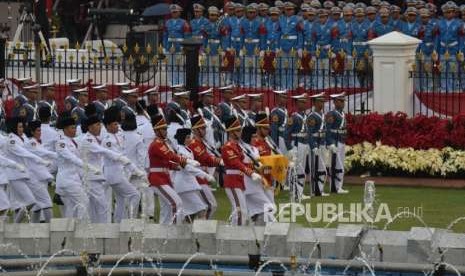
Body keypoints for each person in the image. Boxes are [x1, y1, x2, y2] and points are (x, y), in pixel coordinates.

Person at [80, 114, 130, 223]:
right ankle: (103, 232)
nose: (100, 127)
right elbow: (102, 151)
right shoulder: (87, 140)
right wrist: (119, 157)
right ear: (90, 127)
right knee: (102, 207)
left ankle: (93, 233)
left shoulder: (95, 138)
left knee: (94, 208)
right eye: (97, 125)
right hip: (91, 178)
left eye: (100, 125)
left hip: (95, 177)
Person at [148, 115, 197, 224]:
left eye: (166, 129)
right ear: (156, 130)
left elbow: (164, 162)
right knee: (177, 203)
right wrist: (187, 161)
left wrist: (176, 166)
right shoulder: (157, 144)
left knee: (167, 209)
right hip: (158, 179)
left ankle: (163, 233)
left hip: (164, 178)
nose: (166, 131)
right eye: (163, 129)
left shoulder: (163, 143)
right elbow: (170, 156)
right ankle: (174, 231)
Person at [102, 107, 142, 222]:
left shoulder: (118, 135)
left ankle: (118, 223)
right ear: (108, 126)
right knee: (135, 195)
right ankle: (130, 221)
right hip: (115, 174)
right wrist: (134, 169)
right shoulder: (107, 140)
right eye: (114, 124)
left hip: (120, 173)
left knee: (121, 200)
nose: (118, 126)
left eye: (117, 124)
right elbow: (118, 157)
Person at [221, 117, 262, 226]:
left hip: (239, 180)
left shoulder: (238, 146)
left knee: (239, 211)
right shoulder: (227, 147)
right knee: (241, 212)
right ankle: (237, 237)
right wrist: (250, 172)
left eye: (240, 130)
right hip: (232, 181)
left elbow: (244, 163)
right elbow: (235, 163)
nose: (240, 132)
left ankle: (230, 233)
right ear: (230, 132)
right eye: (238, 130)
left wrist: (256, 167)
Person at [55, 116, 95, 219]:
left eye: (75, 127)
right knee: (84, 201)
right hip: (67, 180)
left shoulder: (73, 142)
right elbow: (72, 158)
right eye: (72, 128)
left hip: (74, 179)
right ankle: (80, 228)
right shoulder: (61, 143)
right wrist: (88, 166)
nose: (74, 130)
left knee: (72, 207)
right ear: (65, 129)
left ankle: (69, 232)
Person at [172, 128, 213, 222]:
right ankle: (202, 232)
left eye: (189, 137)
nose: (190, 139)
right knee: (201, 209)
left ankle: (188, 232)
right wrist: (204, 175)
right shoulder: (179, 150)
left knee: (190, 213)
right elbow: (187, 168)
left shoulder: (188, 150)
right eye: (187, 137)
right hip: (183, 184)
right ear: (182, 138)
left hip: (188, 184)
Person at [188, 115, 223, 219]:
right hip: (197, 178)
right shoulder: (194, 143)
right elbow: (205, 158)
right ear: (195, 129)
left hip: (202, 177)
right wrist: (219, 161)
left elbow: (208, 159)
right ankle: (204, 228)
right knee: (211, 205)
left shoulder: (202, 143)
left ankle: (196, 228)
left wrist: (219, 161)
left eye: (205, 127)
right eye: (202, 128)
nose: (205, 130)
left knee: (198, 209)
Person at [240, 125, 273, 225]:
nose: (256, 139)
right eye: (253, 136)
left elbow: (258, 164)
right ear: (247, 136)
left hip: (256, 184)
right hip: (247, 184)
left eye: (256, 136)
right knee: (268, 207)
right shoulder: (242, 149)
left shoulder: (254, 149)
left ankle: (257, 230)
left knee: (253, 212)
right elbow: (245, 165)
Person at [24, 120, 56, 223]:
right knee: (47, 203)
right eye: (38, 130)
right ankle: (52, 229)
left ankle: (33, 230)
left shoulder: (37, 142)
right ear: (32, 132)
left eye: (40, 130)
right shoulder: (31, 143)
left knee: (37, 206)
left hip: (39, 178)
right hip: (34, 179)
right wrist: (58, 155)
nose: (40, 132)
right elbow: (42, 152)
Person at [286, 93, 310, 200]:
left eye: (305, 102)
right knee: (295, 169)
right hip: (296, 144)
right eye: (301, 102)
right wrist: (289, 148)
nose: (304, 104)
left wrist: (308, 144)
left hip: (304, 143)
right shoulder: (294, 117)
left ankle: (299, 191)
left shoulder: (305, 116)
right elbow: (286, 133)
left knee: (301, 169)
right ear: (297, 103)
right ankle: (294, 192)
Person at [326, 92, 349, 194]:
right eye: (340, 101)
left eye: (343, 101)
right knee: (336, 165)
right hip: (335, 141)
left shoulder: (343, 114)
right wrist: (330, 143)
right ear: (334, 102)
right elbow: (328, 130)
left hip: (342, 140)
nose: (343, 103)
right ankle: (334, 187)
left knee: (341, 165)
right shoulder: (331, 114)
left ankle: (339, 185)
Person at [307, 93, 329, 197]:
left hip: (323, 143)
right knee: (314, 168)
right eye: (320, 101)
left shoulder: (323, 115)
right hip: (316, 143)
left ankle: (320, 189)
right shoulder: (312, 116)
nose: (322, 103)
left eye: (323, 101)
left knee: (321, 167)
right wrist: (313, 146)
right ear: (315, 102)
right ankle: (313, 189)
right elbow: (309, 133)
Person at [270, 90, 289, 154]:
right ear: (278, 98)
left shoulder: (286, 110)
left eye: (286, 98)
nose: (285, 100)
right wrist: (275, 145)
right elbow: (274, 130)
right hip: (280, 139)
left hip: (286, 138)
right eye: (283, 97)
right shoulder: (275, 111)